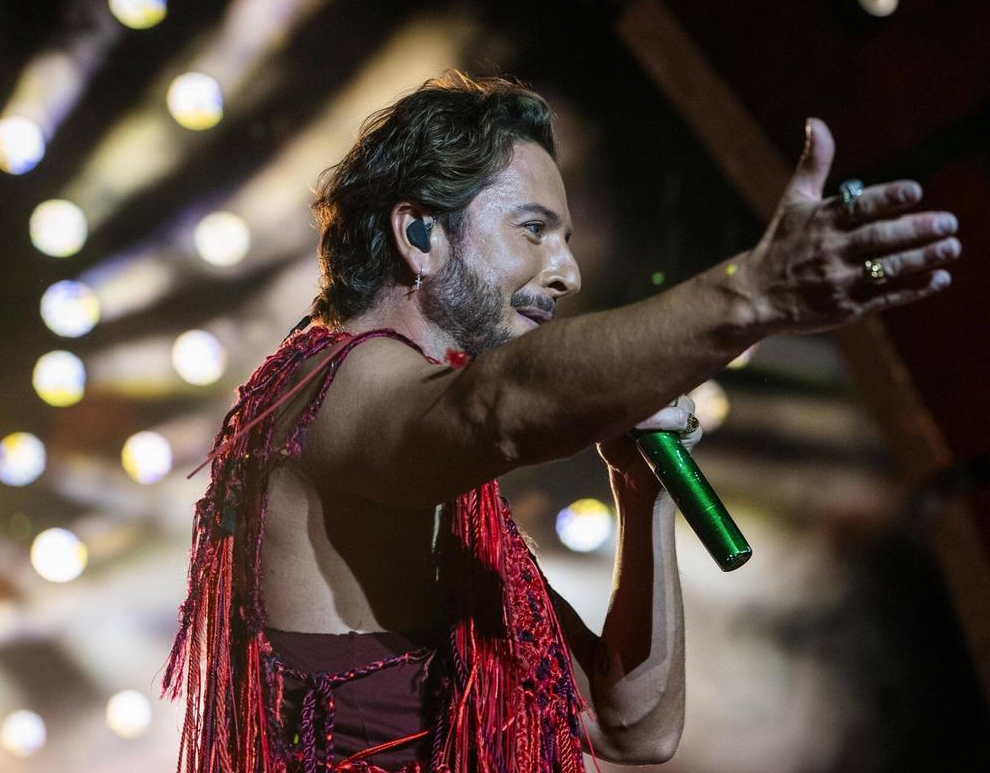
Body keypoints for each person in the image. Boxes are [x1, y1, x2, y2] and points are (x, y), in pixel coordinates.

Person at [160, 73, 961, 773]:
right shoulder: (334, 387)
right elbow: (505, 407)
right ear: (419, 235)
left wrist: (639, 491)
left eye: (567, 239)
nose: (568, 272)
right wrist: (752, 296)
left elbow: (632, 725)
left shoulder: (442, 485)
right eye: (534, 229)